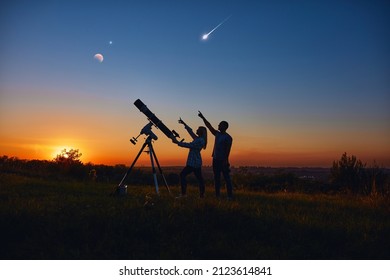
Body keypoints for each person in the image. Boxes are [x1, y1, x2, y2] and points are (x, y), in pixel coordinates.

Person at [198, 111, 233, 199]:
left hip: (223, 161)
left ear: (224, 127)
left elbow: (228, 151)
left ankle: (230, 196)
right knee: (216, 179)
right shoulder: (217, 134)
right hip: (216, 160)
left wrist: (225, 161)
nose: (218, 125)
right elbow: (209, 126)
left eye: (220, 124)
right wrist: (203, 118)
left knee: (227, 179)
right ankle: (217, 196)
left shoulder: (228, 138)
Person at [171, 118, 207, 198]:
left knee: (183, 175)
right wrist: (184, 124)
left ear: (201, 131)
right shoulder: (198, 139)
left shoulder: (200, 140)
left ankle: (184, 194)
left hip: (193, 163)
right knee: (199, 179)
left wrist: (178, 142)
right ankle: (201, 195)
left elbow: (190, 145)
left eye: (198, 129)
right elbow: (190, 131)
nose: (196, 130)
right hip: (194, 162)